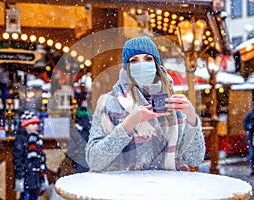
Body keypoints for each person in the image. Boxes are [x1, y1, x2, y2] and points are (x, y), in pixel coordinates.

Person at [86, 36, 205, 171]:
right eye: (134, 60)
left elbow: (194, 158)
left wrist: (191, 118)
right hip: (124, 188)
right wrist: (128, 124)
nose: (142, 64)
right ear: (127, 67)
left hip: (168, 188)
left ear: (156, 64)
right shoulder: (108, 102)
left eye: (148, 58)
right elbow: (94, 161)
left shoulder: (173, 102)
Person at [13, 111, 49, 200]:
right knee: (25, 196)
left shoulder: (37, 139)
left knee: (34, 196)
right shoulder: (21, 138)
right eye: (32, 124)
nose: (36, 126)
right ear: (26, 125)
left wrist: (42, 173)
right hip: (26, 175)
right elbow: (18, 158)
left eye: (36, 124)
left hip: (36, 175)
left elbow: (41, 158)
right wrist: (20, 173)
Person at [243, 106, 254, 176]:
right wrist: (251, 126)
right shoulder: (250, 114)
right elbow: (245, 124)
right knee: (253, 154)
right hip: (253, 137)